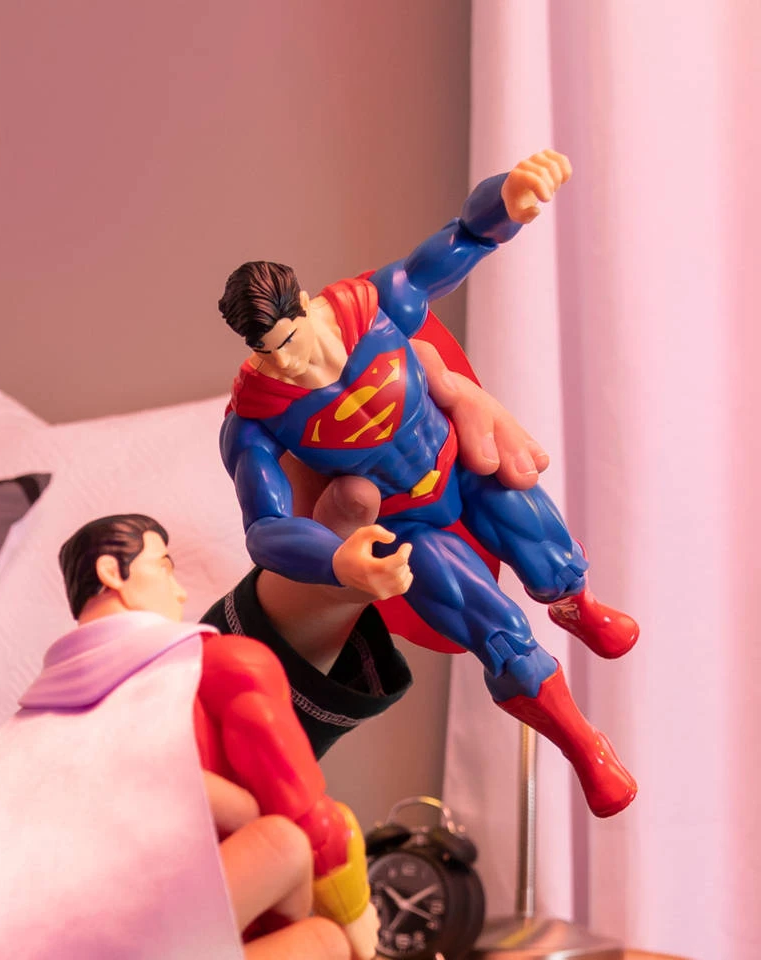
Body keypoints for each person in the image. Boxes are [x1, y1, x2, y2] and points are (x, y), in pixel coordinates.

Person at [215, 150, 639, 818]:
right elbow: (265, 528)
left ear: (305, 305)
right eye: (270, 353)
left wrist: (510, 199)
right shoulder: (257, 418)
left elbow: (462, 237)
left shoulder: (376, 307)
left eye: (292, 340)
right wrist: (337, 558)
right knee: (499, 638)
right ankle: (586, 747)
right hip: (405, 520)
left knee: (549, 555)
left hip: (460, 467)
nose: (290, 364)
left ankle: (574, 603)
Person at [0, 515, 377, 960]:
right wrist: (354, 913)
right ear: (111, 573)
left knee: (283, 859)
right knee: (311, 907)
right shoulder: (224, 664)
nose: (179, 592)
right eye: (163, 567)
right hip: (169, 920)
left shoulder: (28, 725)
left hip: (39, 931)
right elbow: (303, 811)